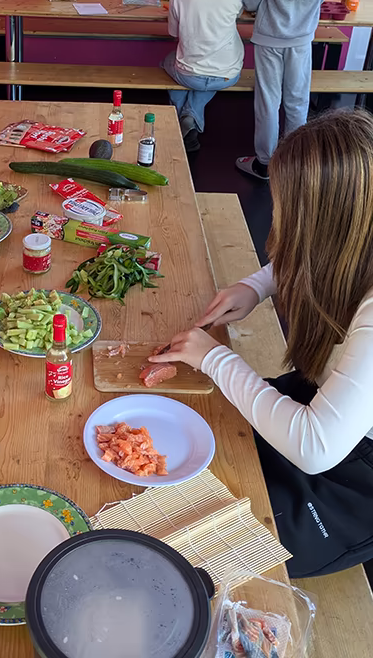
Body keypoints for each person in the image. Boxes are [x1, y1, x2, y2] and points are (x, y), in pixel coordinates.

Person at [150, 108, 373, 578]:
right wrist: (254, 286)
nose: (277, 215)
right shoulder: (355, 237)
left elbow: (315, 446)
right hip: (321, 401)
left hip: (353, 476)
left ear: (329, 215)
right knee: (197, 435)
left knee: (207, 545)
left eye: (288, 207)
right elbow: (318, 253)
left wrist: (215, 358)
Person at [237, 0, 337, 180]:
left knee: (268, 101)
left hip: (270, 37)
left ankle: (264, 163)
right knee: (297, 101)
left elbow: (251, 0)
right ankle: (295, 165)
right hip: (302, 38)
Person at [163, 0, 244, 153]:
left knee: (166, 62)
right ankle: (191, 117)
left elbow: (172, 33)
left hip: (189, 74)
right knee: (208, 77)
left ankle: (184, 114)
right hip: (228, 73)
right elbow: (238, 13)